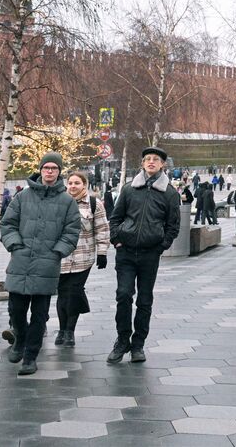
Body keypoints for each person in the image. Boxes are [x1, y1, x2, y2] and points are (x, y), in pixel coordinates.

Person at [0, 153, 81, 375]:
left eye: (54, 168)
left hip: (47, 263)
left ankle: (30, 356)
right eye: (46, 167)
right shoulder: (23, 197)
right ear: (40, 169)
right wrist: (15, 245)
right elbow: (7, 224)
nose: (50, 171)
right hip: (21, 261)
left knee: (39, 314)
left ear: (59, 172)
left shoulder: (67, 201)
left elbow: (72, 231)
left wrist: (57, 252)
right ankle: (20, 340)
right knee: (16, 309)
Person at [107, 146, 181, 365]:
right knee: (123, 295)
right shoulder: (130, 189)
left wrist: (162, 246)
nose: (151, 162)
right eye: (147, 159)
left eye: (155, 159)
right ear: (142, 163)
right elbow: (116, 217)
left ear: (162, 164)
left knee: (145, 300)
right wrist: (116, 239)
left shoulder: (169, 192)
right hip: (126, 252)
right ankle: (122, 341)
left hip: (150, 254)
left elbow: (173, 225)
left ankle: (138, 345)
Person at [56, 170, 110, 348]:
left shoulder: (94, 204)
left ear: (84, 185)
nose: (72, 186)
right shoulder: (59, 202)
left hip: (83, 257)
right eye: (70, 183)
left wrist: (102, 252)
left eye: (77, 183)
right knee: (63, 295)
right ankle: (62, 329)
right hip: (61, 257)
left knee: (73, 292)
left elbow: (102, 229)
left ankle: (70, 331)